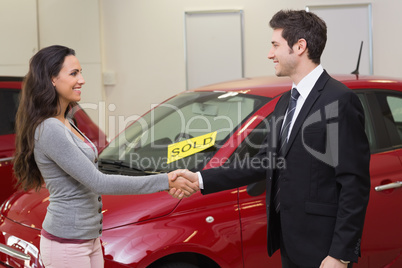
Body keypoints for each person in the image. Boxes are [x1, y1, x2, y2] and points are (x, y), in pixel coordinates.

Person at [170, 9, 370, 268]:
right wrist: (199, 179)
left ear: (300, 47)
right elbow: (263, 162)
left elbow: (354, 185)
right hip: (289, 243)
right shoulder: (286, 102)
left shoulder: (339, 100)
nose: (270, 54)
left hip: (323, 249)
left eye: (275, 45)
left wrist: (340, 255)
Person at [13, 45, 198, 268]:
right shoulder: (50, 128)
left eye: (81, 72)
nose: (81, 80)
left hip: (87, 239)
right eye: (74, 73)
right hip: (67, 244)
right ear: (51, 79)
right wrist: (165, 180)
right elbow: (98, 181)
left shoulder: (66, 121)